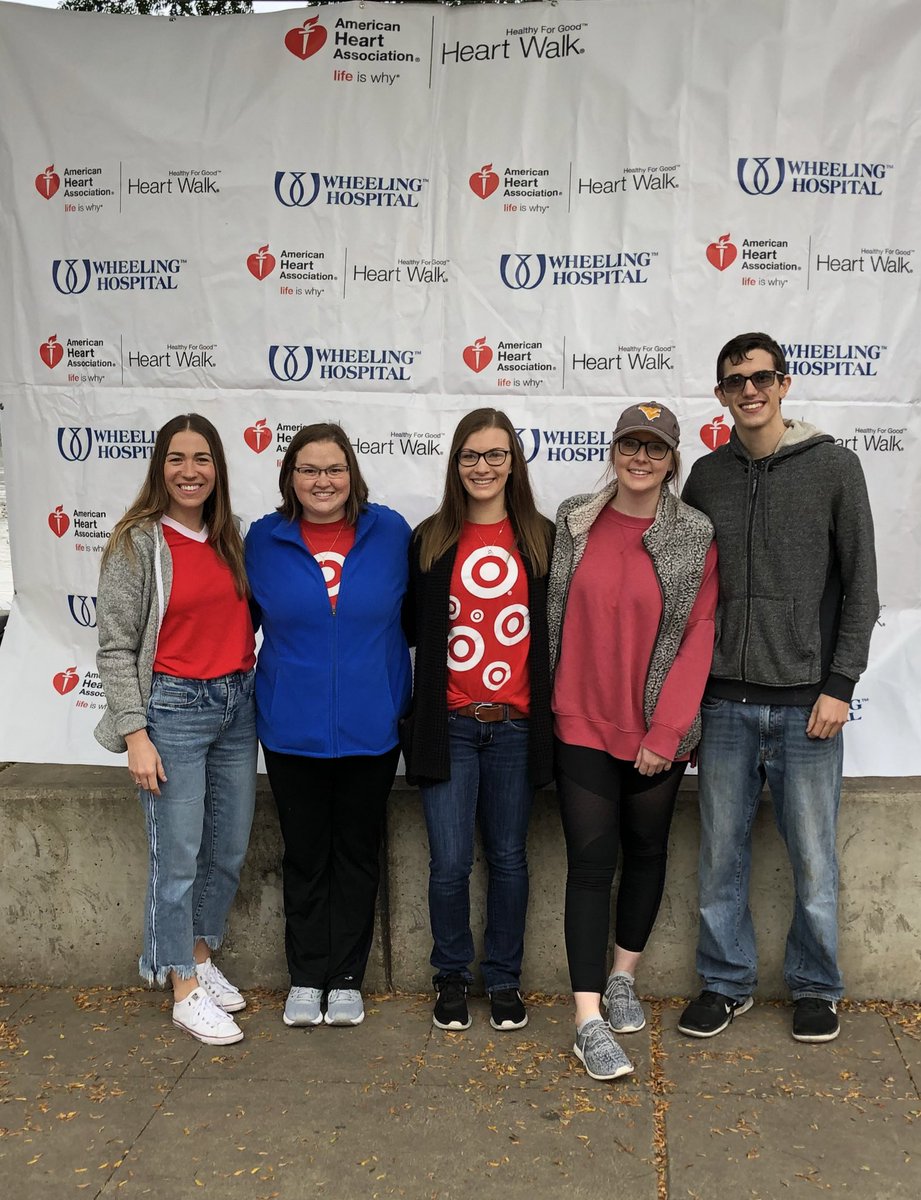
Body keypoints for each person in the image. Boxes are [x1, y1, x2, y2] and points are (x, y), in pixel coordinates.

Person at [678, 331, 878, 1044]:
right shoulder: (705, 476)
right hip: (725, 702)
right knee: (719, 854)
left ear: (784, 384)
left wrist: (838, 684)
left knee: (813, 856)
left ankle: (816, 987)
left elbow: (861, 588)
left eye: (760, 377)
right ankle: (724, 983)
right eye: (734, 381)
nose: (749, 390)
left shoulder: (833, 468)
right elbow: (690, 591)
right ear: (721, 395)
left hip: (807, 706)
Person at [547, 403, 717, 1081]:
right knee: (589, 864)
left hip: (655, 731)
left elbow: (699, 633)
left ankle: (623, 975)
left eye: (654, 448)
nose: (639, 458)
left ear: (673, 459)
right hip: (579, 721)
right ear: (612, 449)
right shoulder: (573, 519)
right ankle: (587, 1018)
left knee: (645, 850)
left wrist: (667, 730)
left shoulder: (693, 532)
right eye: (628, 444)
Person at [95, 414, 256, 1046]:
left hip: (236, 704)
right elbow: (114, 647)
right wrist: (136, 733)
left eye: (203, 460)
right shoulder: (136, 543)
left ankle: (200, 953)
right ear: (159, 467)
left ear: (218, 469)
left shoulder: (229, 536)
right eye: (176, 459)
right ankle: (181, 986)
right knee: (178, 856)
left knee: (228, 847)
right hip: (174, 711)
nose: (190, 472)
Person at [245, 423, 411, 1029]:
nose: (323, 481)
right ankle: (306, 975)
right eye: (309, 470)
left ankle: (346, 978)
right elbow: (243, 625)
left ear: (352, 474)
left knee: (357, 855)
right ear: (291, 476)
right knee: (306, 856)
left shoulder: (390, 532)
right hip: (292, 730)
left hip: (372, 728)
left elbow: (413, 620)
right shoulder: (263, 540)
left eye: (334, 469)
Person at [403, 408, 553, 1033]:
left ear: (514, 463)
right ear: (455, 464)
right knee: (449, 863)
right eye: (471, 455)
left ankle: (504, 979)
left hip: (516, 727)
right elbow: (412, 626)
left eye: (495, 455)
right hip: (450, 726)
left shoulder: (542, 536)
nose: (483, 467)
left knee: (510, 858)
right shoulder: (430, 538)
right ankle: (451, 976)